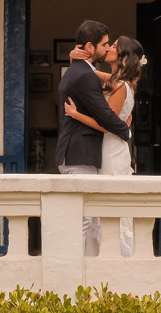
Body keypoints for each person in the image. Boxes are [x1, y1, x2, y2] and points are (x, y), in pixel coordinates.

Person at [56, 20, 132, 256]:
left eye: (111, 45)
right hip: (79, 154)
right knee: (83, 221)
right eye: (104, 44)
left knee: (86, 219)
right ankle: (74, 271)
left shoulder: (81, 71)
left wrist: (74, 58)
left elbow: (112, 84)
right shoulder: (85, 75)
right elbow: (105, 115)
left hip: (81, 153)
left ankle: (85, 266)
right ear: (90, 46)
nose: (107, 48)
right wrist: (126, 131)